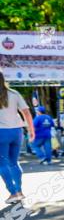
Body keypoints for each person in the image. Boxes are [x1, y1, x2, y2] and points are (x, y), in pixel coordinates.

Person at [0, 73, 34, 204]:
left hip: (1, 132)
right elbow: (26, 112)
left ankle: (13, 192)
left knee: (2, 164)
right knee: (14, 162)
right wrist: (31, 130)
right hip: (16, 132)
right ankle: (19, 191)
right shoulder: (14, 93)